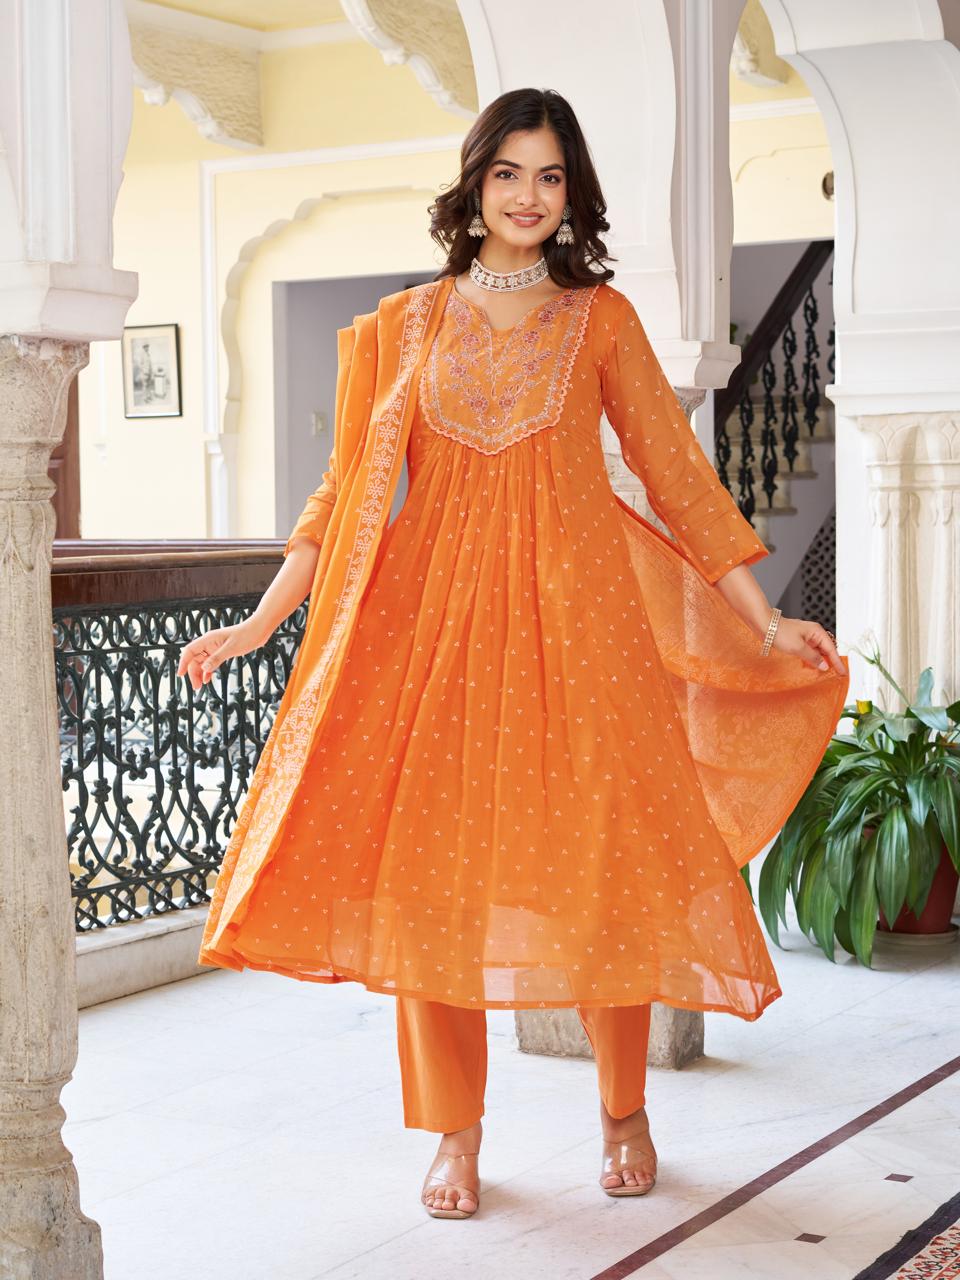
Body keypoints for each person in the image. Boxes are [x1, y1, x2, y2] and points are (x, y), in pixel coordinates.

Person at [178, 88, 849, 1221]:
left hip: (581, 639)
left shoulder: (601, 322)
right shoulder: (404, 326)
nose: (529, 197)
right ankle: (455, 1131)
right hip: (432, 643)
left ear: (570, 192)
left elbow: (680, 482)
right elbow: (344, 496)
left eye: (550, 177)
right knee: (432, 892)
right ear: (474, 181)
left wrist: (765, 614)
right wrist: (261, 619)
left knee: (602, 878)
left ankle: (624, 1106)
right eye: (508, 174)